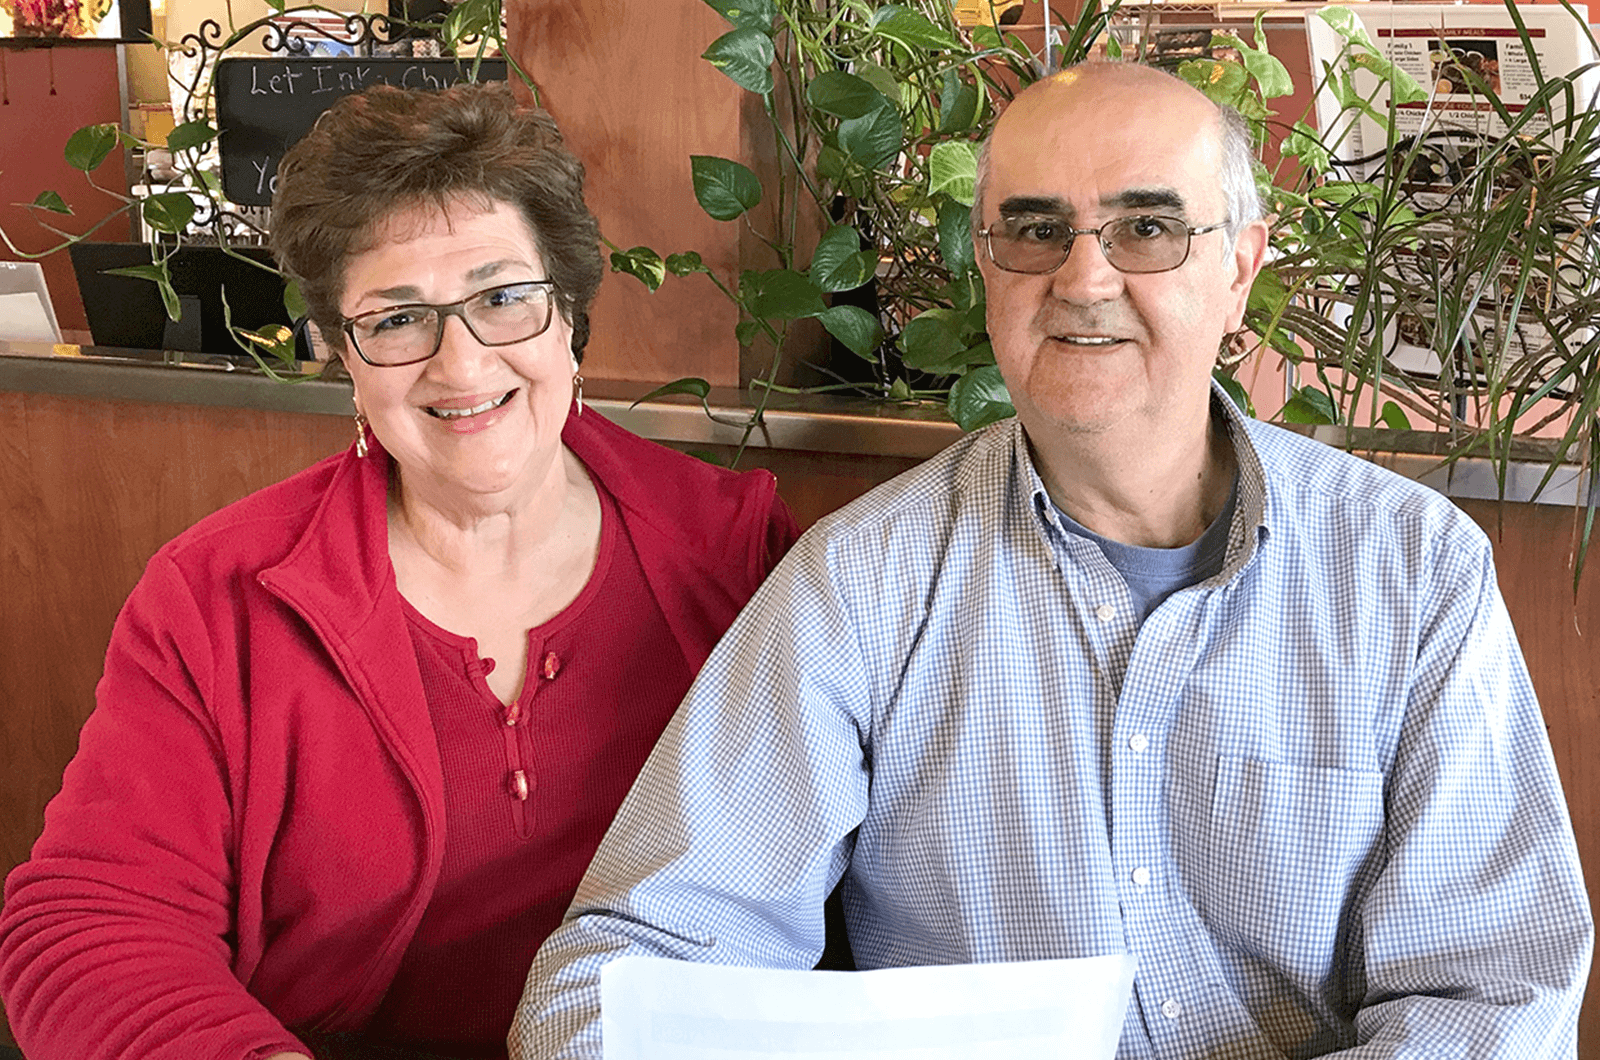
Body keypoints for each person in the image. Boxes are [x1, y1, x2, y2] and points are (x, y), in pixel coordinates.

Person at [512, 63, 1592, 1059]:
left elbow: (1489, 987)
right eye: (1033, 230)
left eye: (1147, 229)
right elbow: (620, 977)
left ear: (1238, 270)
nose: (1083, 277)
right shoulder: (864, 585)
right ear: (985, 267)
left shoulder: (1405, 566)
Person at [0, 81, 799, 1060]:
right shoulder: (216, 596)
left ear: (568, 319)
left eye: (503, 298)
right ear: (345, 354)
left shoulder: (737, 549)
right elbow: (90, 923)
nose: (461, 366)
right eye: (397, 319)